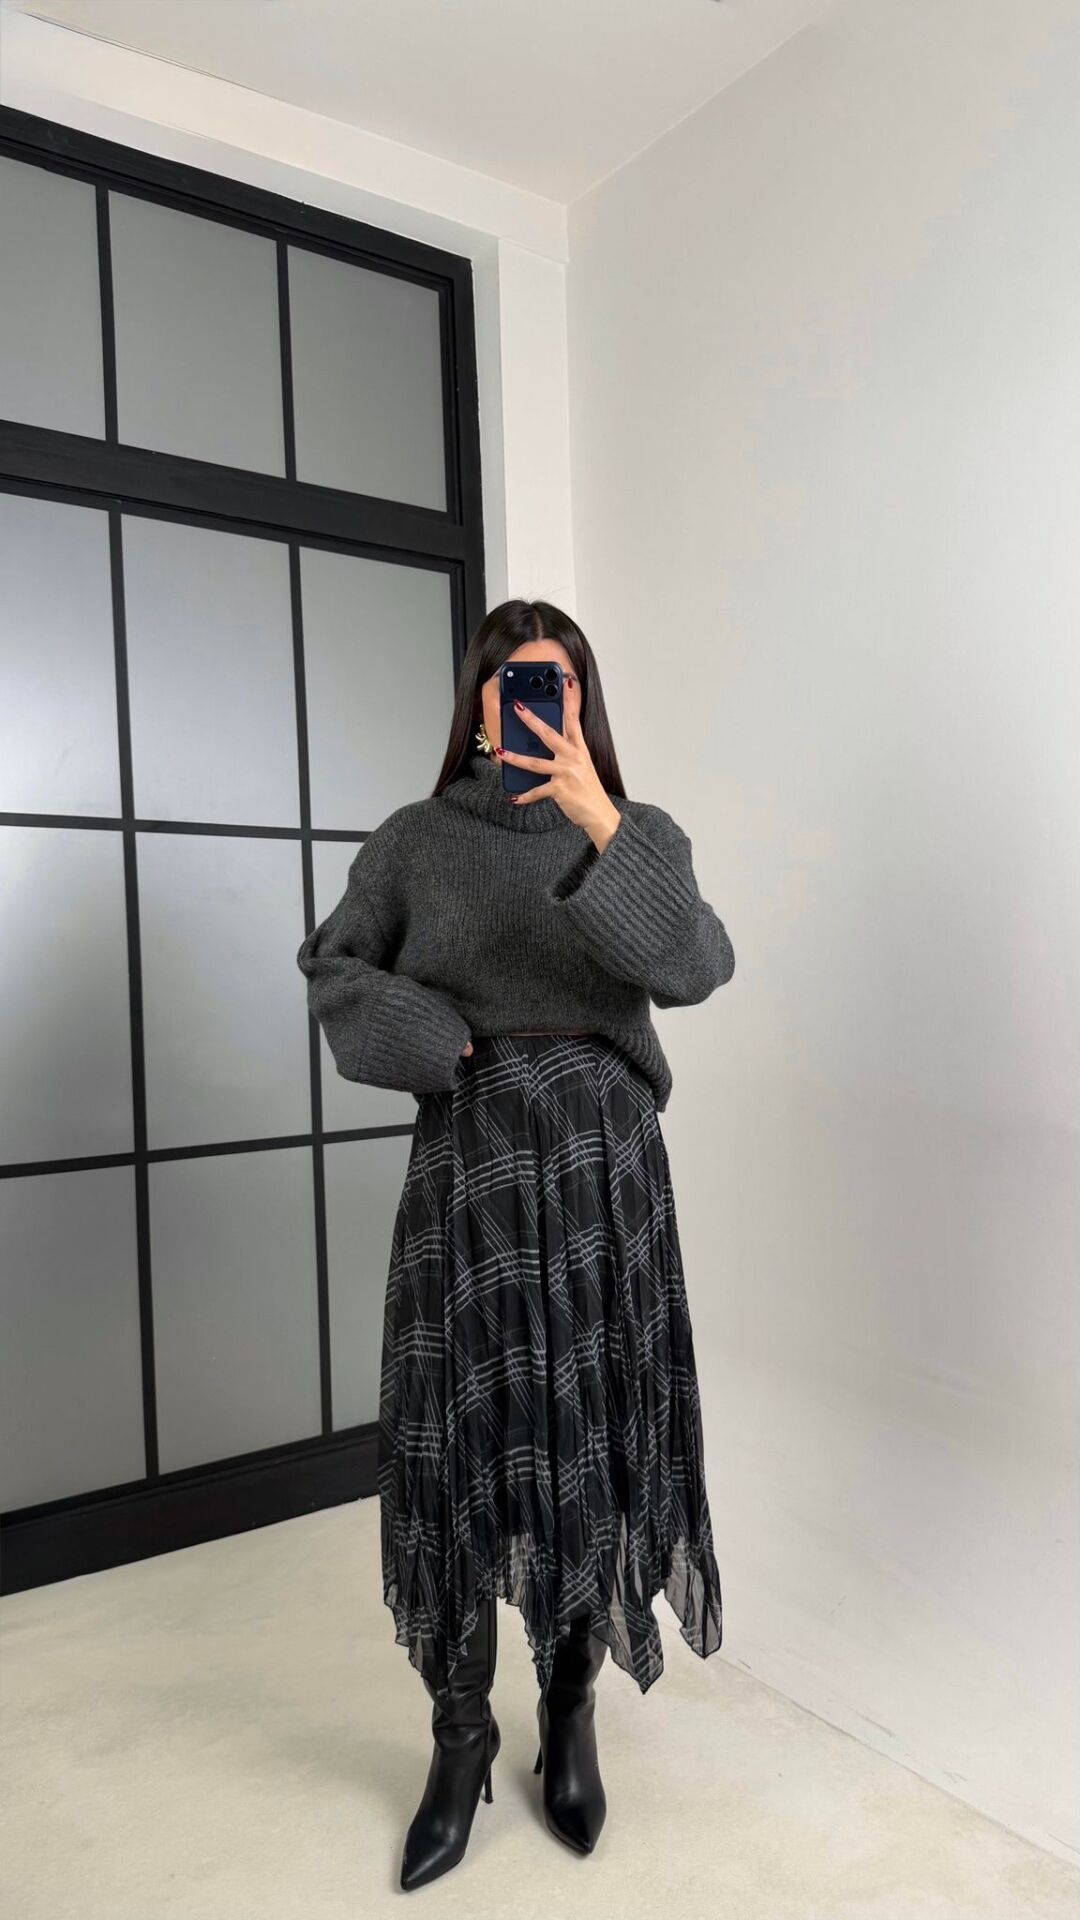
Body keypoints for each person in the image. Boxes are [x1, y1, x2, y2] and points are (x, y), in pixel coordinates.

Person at [296, 598, 735, 1890]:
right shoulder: (416, 840)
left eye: (559, 682)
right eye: (511, 682)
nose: (535, 701)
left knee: (584, 1431)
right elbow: (334, 969)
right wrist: (437, 1042)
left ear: (582, 700)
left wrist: (600, 823)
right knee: (460, 1439)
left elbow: (699, 966)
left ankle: (570, 1710)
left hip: (604, 1172)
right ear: (480, 704)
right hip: (472, 1168)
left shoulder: (640, 834)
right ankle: (459, 1736)